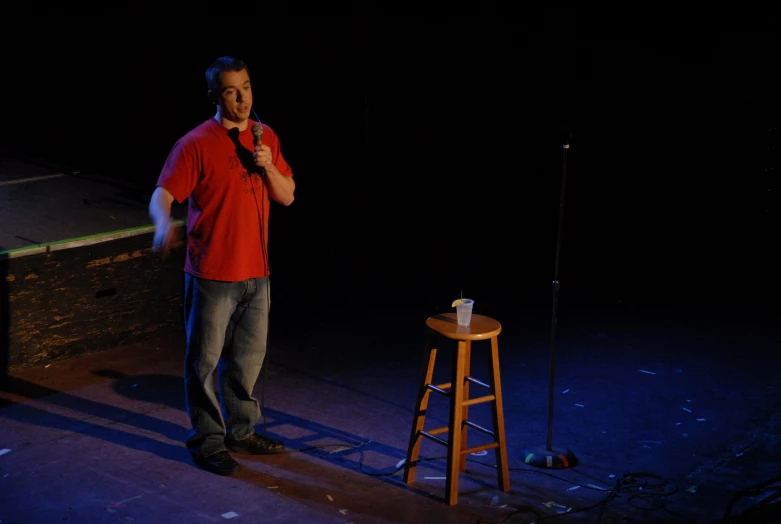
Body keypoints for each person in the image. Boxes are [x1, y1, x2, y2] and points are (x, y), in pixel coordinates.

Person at [148, 56, 295, 476]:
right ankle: (208, 440)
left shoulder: (266, 138)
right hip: (212, 273)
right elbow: (163, 193)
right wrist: (162, 224)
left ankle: (242, 432)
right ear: (216, 96)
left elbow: (287, 196)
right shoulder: (195, 143)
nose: (242, 98)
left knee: (248, 359)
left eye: (246, 87)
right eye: (231, 91)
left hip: (257, 273)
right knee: (204, 362)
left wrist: (267, 166)